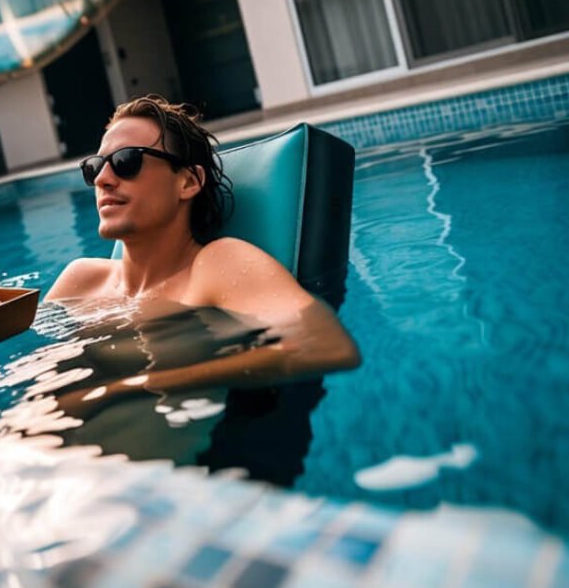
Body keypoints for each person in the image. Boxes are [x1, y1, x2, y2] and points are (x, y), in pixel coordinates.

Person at [45, 95, 361, 416]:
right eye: (94, 167)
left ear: (188, 181)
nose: (102, 179)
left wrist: (127, 388)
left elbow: (325, 345)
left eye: (127, 161)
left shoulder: (215, 266)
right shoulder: (80, 279)